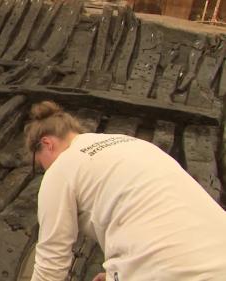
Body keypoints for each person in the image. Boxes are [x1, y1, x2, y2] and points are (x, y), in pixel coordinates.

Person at [25, 101, 226, 281]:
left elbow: (51, 263)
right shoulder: (135, 145)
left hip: (168, 271)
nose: (45, 171)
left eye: (40, 165)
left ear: (47, 144)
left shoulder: (61, 169)